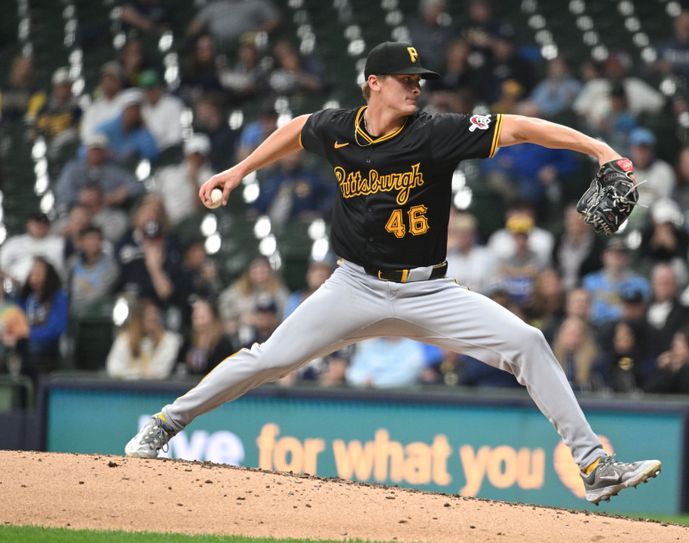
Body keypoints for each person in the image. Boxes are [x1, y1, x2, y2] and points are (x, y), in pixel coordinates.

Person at [125, 41, 661, 504]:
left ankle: (594, 466)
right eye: (406, 80)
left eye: (419, 80)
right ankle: (163, 424)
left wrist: (597, 147)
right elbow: (297, 128)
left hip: (429, 290)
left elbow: (519, 127)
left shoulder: (437, 132)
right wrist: (240, 170)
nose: (416, 88)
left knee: (527, 340)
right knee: (270, 359)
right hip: (354, 285)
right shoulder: (338, 127)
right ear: (373, 84)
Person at [106, 298, 182, 379]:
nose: (153, 323)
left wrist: (135, 372)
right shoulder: (124, 340)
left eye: (155, 319)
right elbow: (114, 369)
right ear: (139, 320)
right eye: (149, 319)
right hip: (127, 388)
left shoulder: (169, 340)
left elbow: (160, 372)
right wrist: (139, 372)